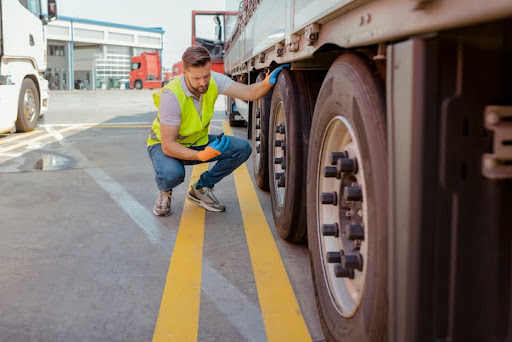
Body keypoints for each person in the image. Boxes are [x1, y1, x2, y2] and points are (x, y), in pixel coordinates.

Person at [148, 46, 289, 216]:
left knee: (241, 148)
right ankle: (165, 191)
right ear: (184, 73)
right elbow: (168, 146)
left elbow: (248, 92)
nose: (203, 82)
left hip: (197, 142)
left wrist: (266, 83)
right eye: (196, 78)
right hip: (165, 147)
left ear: (210, 68)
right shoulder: (171, 96)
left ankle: (200, 189)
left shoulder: (213, 80)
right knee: (172, 174)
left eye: (206, 75)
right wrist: (201, 156)